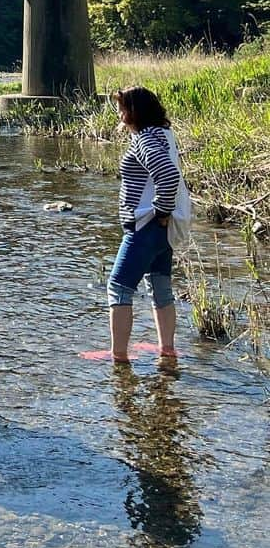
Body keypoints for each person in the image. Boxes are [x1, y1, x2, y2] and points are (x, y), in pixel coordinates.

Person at [108, 86, 191, 362]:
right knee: (160, 287)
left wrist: (161, 211)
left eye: (122, 108)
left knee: (118, 287)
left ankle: (118, 356)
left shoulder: (145, 139)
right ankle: (166, 349)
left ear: (134, 112)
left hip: (145, 226)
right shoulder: (163, 134)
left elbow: (167, 176)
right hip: (161, 229)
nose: (119, 114)